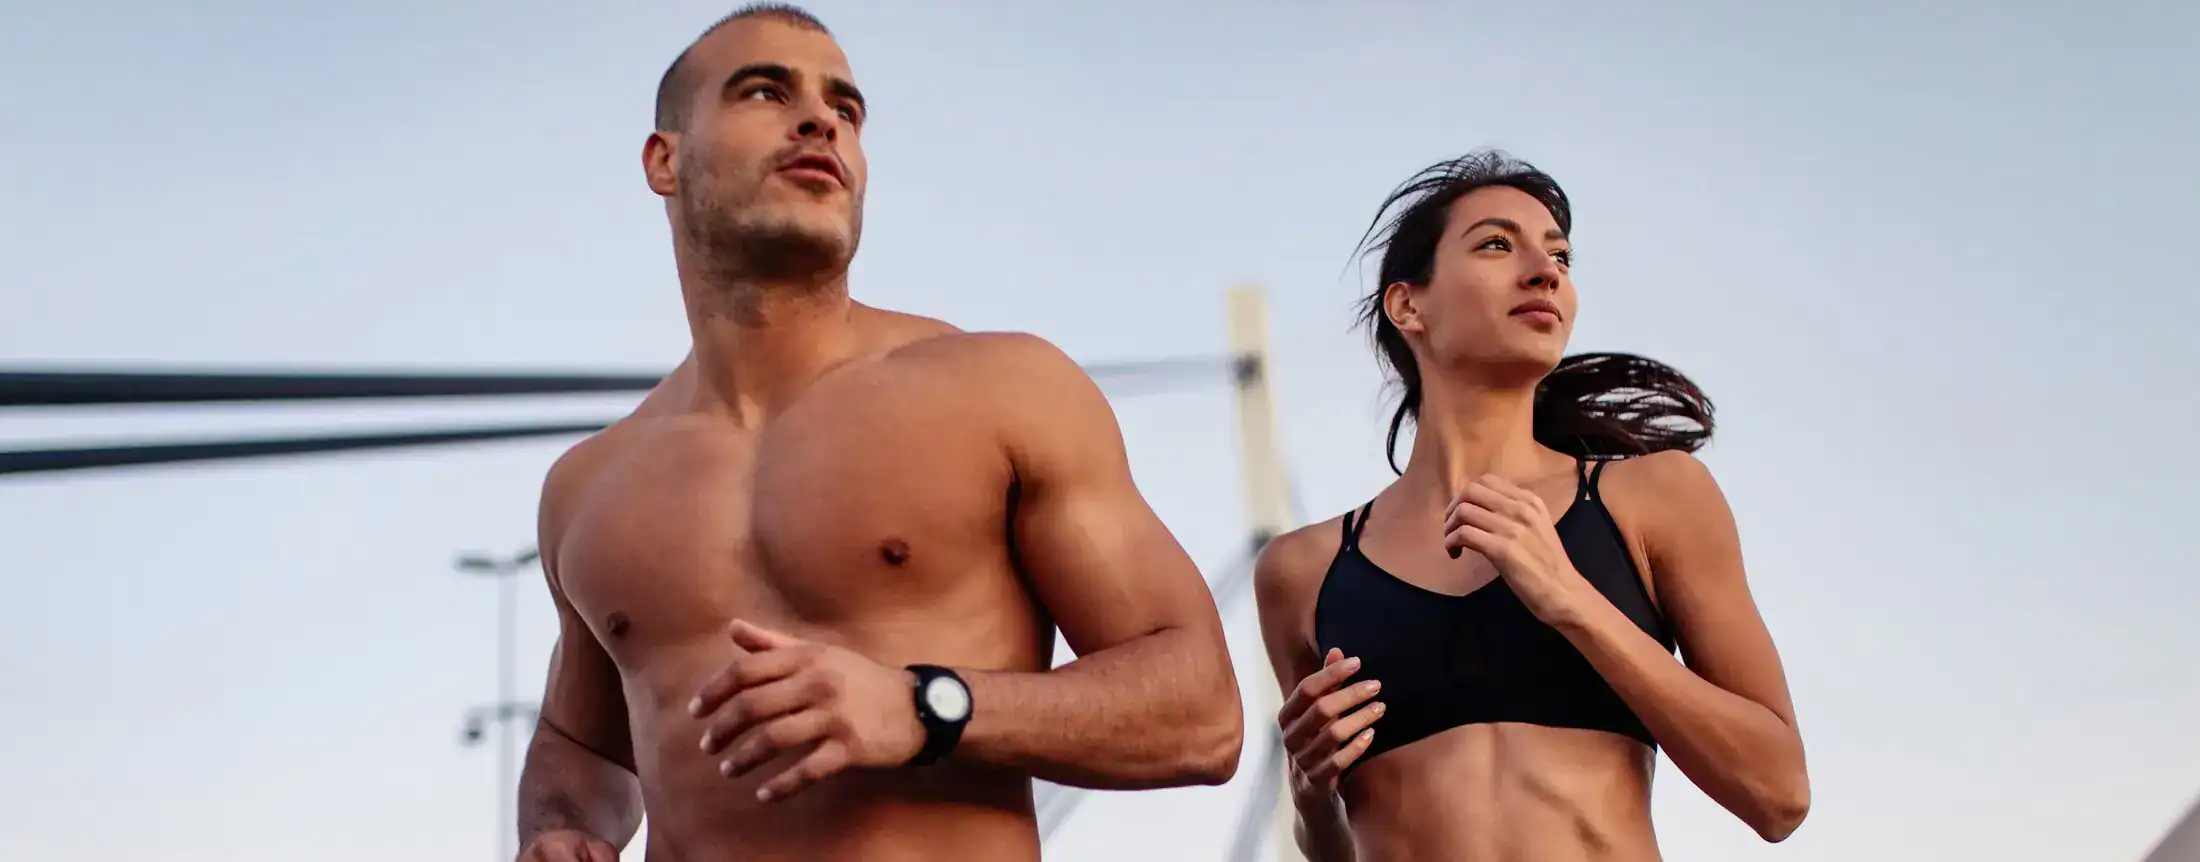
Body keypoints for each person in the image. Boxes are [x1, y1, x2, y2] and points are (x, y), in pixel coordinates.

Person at [512, 5, 1245, 860]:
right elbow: (583, 747)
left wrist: (924, 705)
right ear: (664, 160)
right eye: (765, 91)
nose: (820, 120)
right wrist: (561, 827)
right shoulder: (588, 487)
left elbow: (1202, 712)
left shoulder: (1001, 389)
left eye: (846, 109)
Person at [1252, 151, 1810, 861]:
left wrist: (1570, 600)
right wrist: (1309, 797)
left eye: (1561, 256)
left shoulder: (1654, 499)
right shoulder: (1302, 570)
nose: (1546, 271)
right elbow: (1337, 844)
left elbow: (1778, 794)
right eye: (1496, 244)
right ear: (1408, 305)